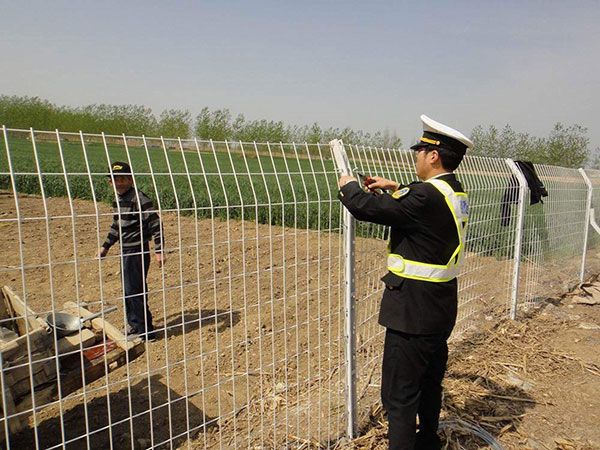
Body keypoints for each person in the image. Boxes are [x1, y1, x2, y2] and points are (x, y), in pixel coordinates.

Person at [337, 115, 472, 449]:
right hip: (440, 306)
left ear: (433, 156)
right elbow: (426, 211)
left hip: (413, 312)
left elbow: (365, 207)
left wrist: (348, 185)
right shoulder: (454, 191)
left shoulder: (424, 197)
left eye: (419, 151)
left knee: (399, 395)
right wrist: (396, 188)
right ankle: (427, 442)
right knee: (429, 383)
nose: (416, 157)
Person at [98, 161, 165, 342]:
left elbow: (156, 224)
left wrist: (159, 251)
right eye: (115, 180)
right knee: (128, 290)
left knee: (135, 291)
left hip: (137, 250)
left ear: (131, 180)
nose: (119, 183)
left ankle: (145, 331)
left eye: (122, 179)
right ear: (110, 182)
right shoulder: (119, 199)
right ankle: (134, 325)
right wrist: (105, 246)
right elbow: (117, 225)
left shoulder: (139, 198)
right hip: (125, 250)